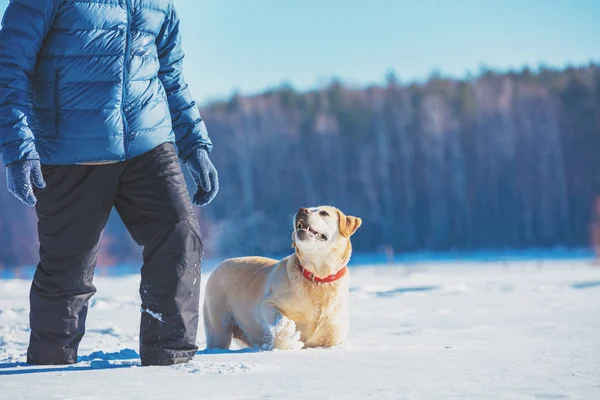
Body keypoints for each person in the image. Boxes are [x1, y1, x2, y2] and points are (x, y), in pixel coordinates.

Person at [0, 0, 218, 366]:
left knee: (180, 237)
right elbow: (9, 67)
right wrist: (19, 149)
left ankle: (169, 362)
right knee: (68, 269)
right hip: (71, 147)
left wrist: (194, 143)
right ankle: (49, 371)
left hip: (148, 142)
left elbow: (171, 74)